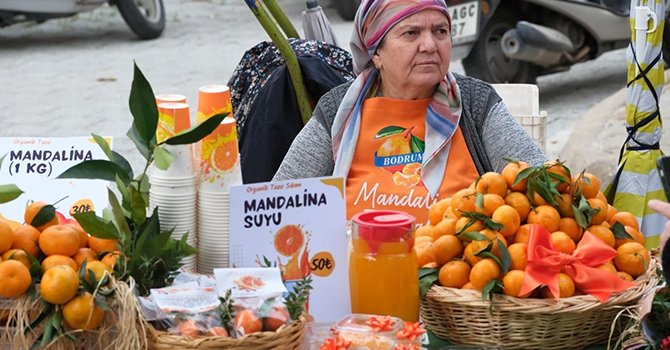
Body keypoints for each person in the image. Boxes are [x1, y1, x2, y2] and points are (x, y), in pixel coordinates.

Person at [273, 0, 546, 223]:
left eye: (440, 31)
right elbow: (279, 203)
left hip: (462, 278)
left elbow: (543, 184)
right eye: (411, 33)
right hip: (358, 273)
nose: (429, 45)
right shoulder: (338, 110)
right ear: (376, 53)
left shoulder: (475, 103)